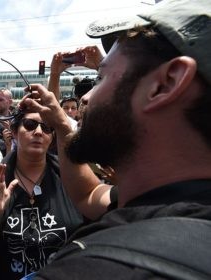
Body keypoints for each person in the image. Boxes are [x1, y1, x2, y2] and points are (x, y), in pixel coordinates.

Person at [18, 0, 211, 278]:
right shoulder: (170, 201)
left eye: (100, 77)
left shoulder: (92, 270)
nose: (85, 97)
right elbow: (89, 194)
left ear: (165, 84)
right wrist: (61, 124)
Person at [0, 112, 89, 279]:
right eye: (30, 124)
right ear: (15, 132)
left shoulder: (68, 176)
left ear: (52, 137)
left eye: (46, 128)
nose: (38, 131)